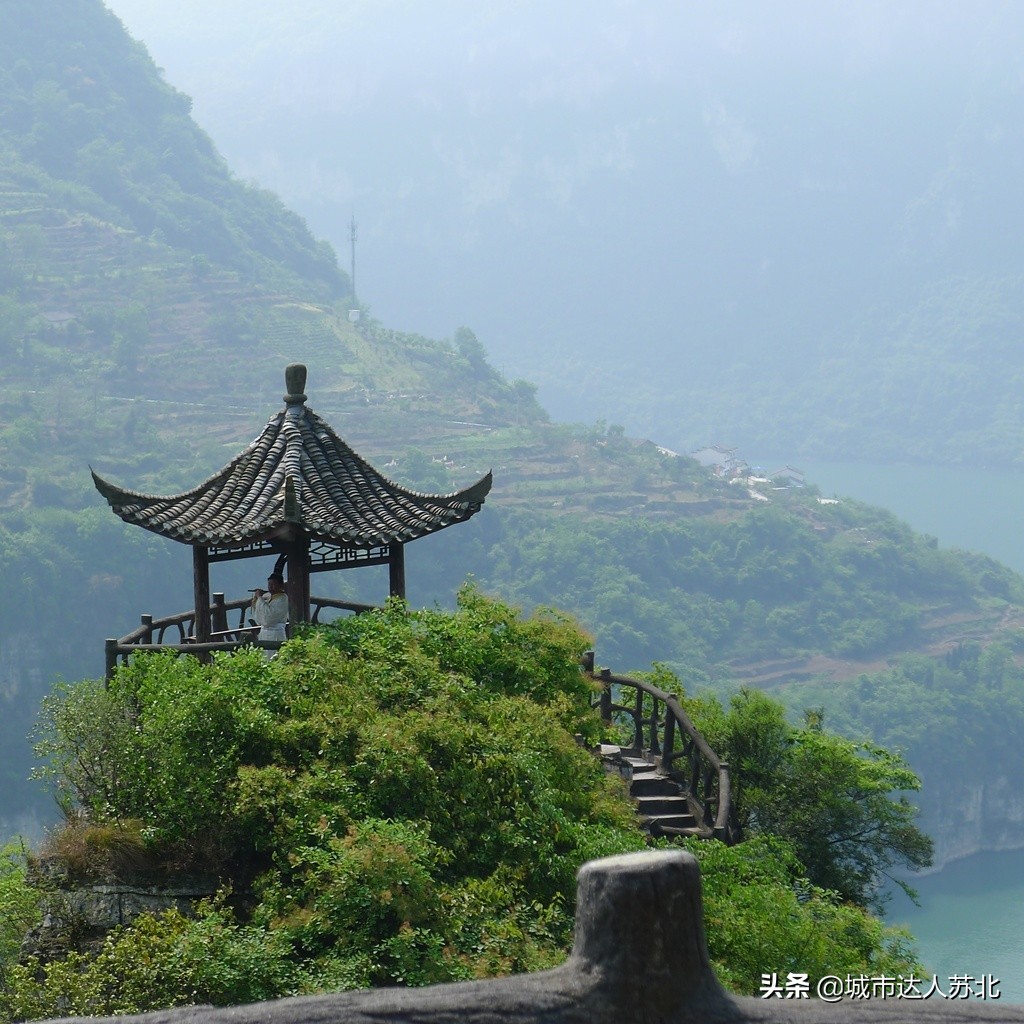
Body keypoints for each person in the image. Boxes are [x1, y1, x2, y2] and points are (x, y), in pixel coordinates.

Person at [250, 570, 288, 648]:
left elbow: (269, 617)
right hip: (265, 633)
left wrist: (260, 598)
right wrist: (258, 600)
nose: (270, 587)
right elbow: (263, 613)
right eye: (269, 584)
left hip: (275, 634)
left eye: (273, 584)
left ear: (281, 585)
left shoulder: (282, 599)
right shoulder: (272, 598)